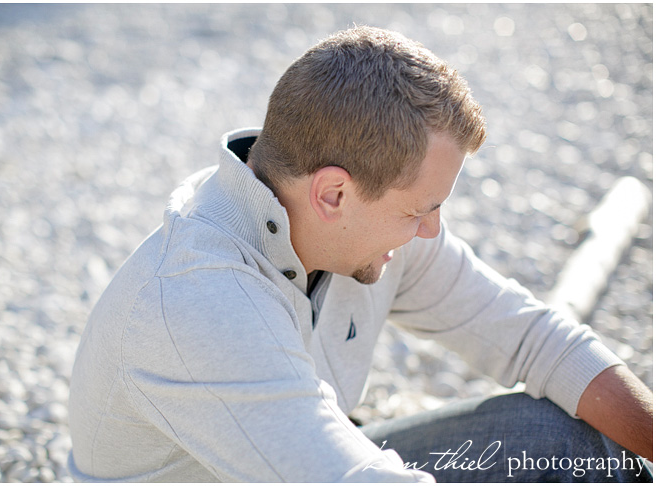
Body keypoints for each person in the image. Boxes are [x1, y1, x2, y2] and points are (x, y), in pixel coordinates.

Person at [67, 26, 652, 482]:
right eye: (418, 209)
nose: (431, 230)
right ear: (334, 194)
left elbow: (534, 340)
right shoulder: (199, 300)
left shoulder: (366, 229)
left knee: (572, 445)